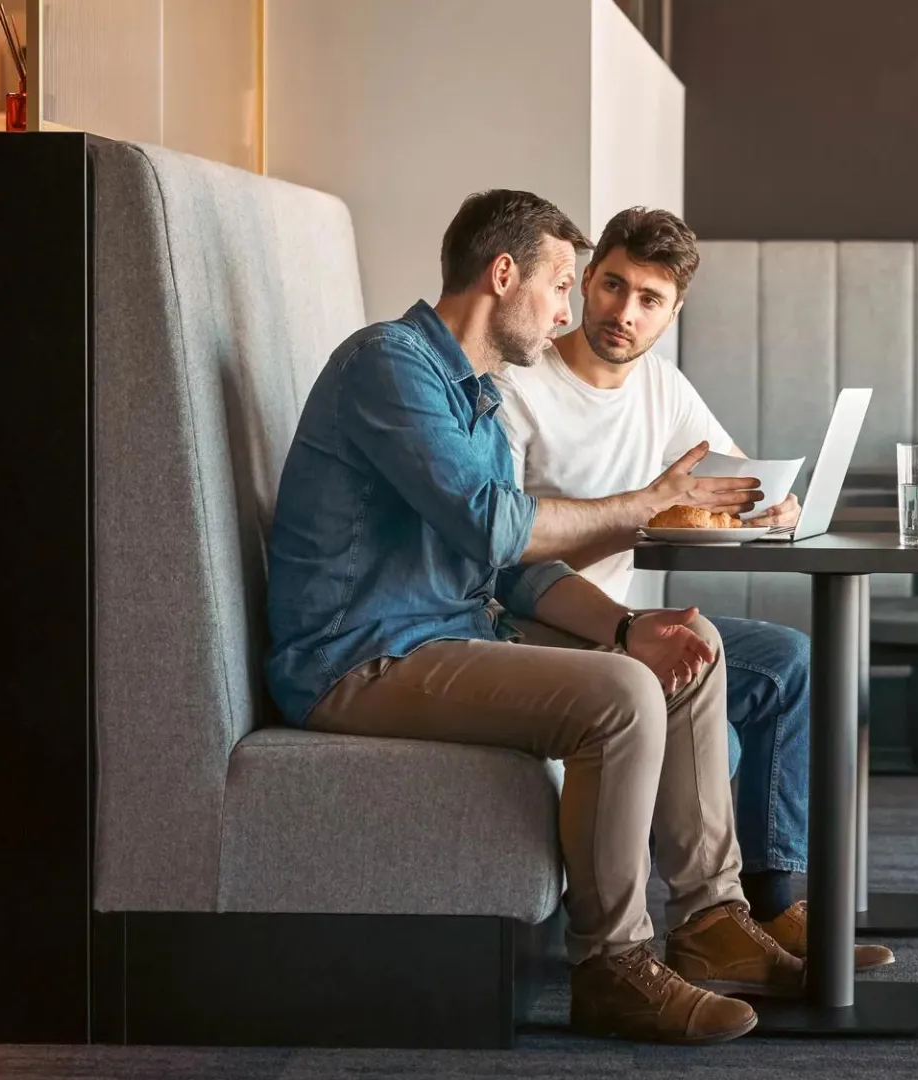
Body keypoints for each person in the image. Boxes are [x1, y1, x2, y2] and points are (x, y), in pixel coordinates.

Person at [264, 189, 802, 1046]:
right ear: (503, 273)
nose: (567, 313)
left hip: (449, 634)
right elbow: (493, 525)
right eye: (562, 287)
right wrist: (641, 508)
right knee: (622, 698)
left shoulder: (475, 393)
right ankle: (611, 966)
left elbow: (507, 570)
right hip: (357, 660)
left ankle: (708, 922)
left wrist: (630, 629)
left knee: (686, 646)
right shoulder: (388, 363)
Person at [495, 206, 894, 972]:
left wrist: (780, 508)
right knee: (708, 662)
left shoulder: (662, 387)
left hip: (622, 613)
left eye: (649, 299)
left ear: (673, 312)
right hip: (536, 620)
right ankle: (704, 928)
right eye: (612, 286)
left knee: (788, 663)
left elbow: (735, 478)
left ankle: (768, 910)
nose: (623, 312)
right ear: (587, 281)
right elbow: (502, 549)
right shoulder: (523, 384)